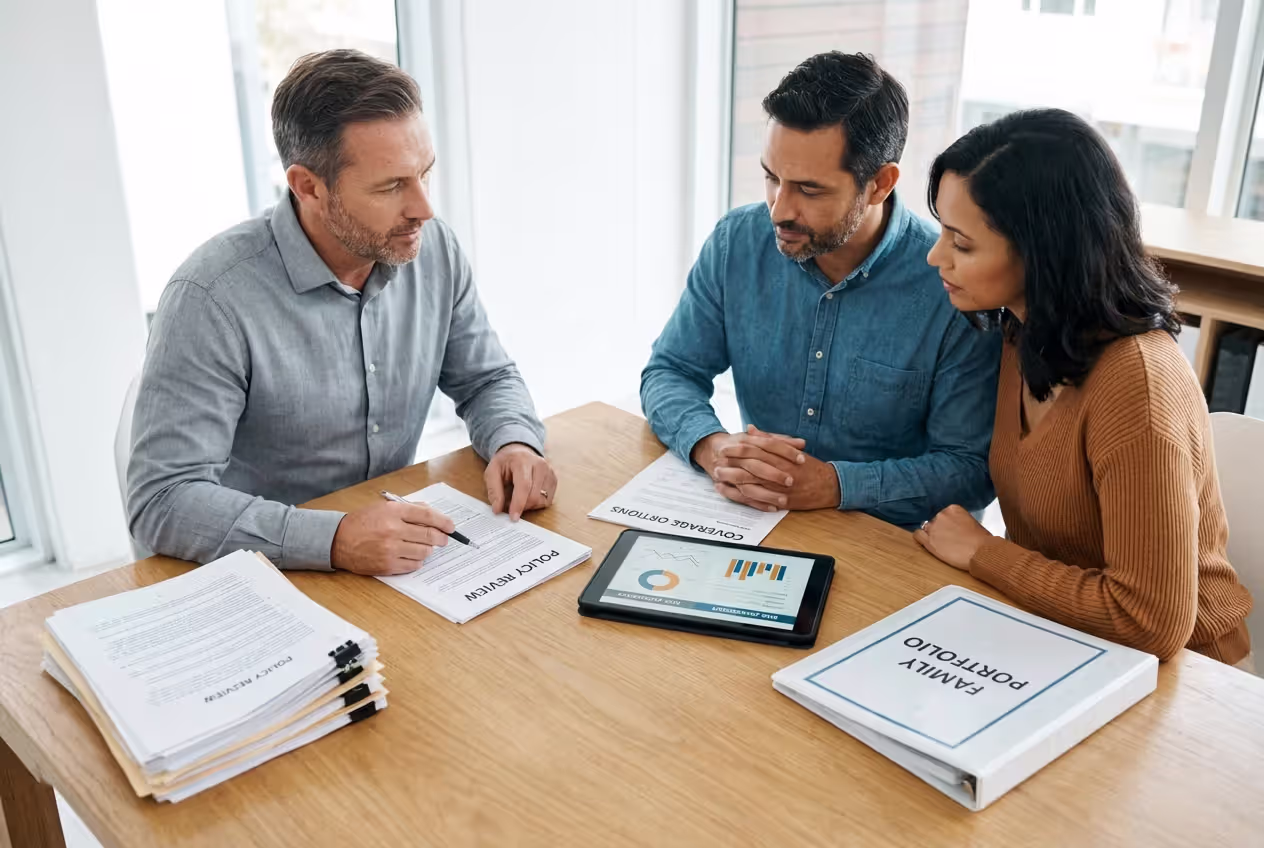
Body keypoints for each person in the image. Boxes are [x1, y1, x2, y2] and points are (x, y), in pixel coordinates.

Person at [128, 50, 556, 576]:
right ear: (308, 186)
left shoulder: (431, 247)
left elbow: (486, 379)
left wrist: (513, 440)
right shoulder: (210, 297)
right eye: (391, 185)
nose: (424, 207)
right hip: (264, 574)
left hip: (394, 564)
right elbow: (161, 501)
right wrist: (332, 538)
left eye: (424, 173)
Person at [915, 108, 1253, 667]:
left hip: (1185, 679)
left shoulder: (1137, 385)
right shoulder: (1020, 331)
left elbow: (1150, 621)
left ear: (1044, 252)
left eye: (963, 244)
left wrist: (985, 554)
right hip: (1062, 640)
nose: (936, 257)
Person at [640, 51, 1001, 528]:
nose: (778, 210)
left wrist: (835, 485)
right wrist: (714, 448)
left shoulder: (952, 284)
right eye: (772, 178)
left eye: (809, 190)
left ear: (879, 184)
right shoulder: (737, 243)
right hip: (756, 525)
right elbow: (669, 371)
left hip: (891, 549)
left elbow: (969, 470)